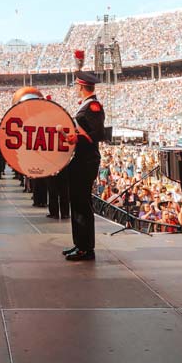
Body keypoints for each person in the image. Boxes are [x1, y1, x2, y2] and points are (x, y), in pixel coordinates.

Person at [63, 71, 106, 261]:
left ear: (81, 87)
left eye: (76, 86)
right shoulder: (86, 106)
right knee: (77, 202)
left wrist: (76, 136)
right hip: (81, 159)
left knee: (82, 204)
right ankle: (79, 244)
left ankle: (86, 248)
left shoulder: (93, 106)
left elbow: (97, 133)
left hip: (87, 160)